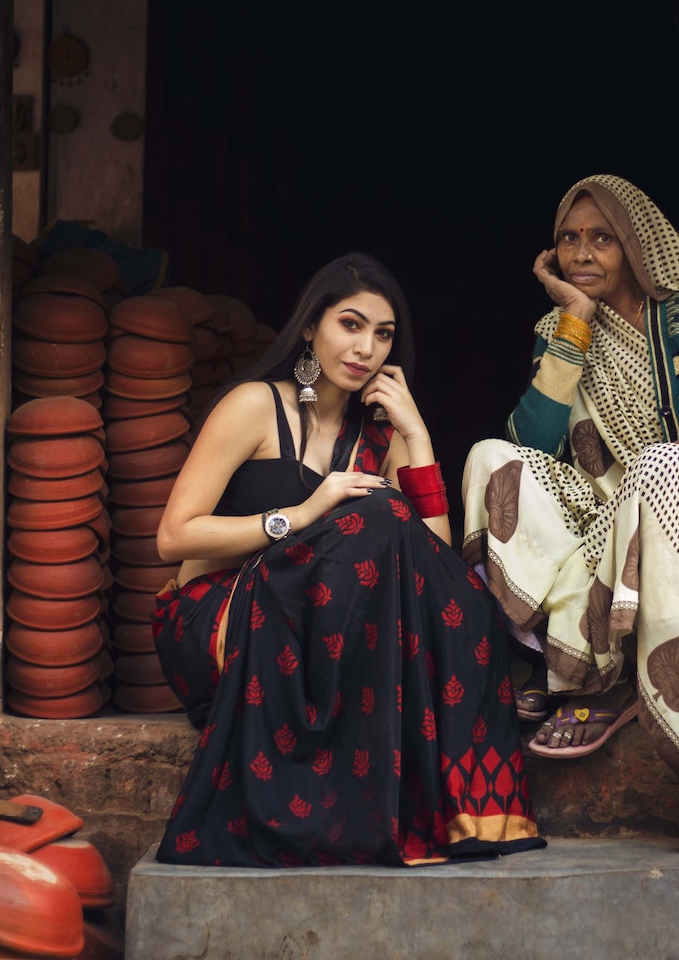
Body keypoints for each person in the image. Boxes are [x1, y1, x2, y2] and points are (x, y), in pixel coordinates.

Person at [151, 253, 543, 867]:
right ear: (311, 327)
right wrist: (302, 515)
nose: (365, 348)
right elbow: (173, 538)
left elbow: (433, 570)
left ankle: (416, 810)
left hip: (322, 635)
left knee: (424, 559)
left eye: (382, 334)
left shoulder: (379, 436)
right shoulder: (256, 405)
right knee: (378, 515)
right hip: (218, 620)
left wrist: (416, 436)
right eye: (350, 324)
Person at [461, 175, 679, 783]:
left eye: (602, 238)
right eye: (568, 239)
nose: (581, 254)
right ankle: (576, 667)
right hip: (607, 520)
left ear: (633, 245)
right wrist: (574, 319)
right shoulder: (558, 333)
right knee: (490, 456)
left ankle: (612, 680)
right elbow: (532, 446)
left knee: (660, 464)